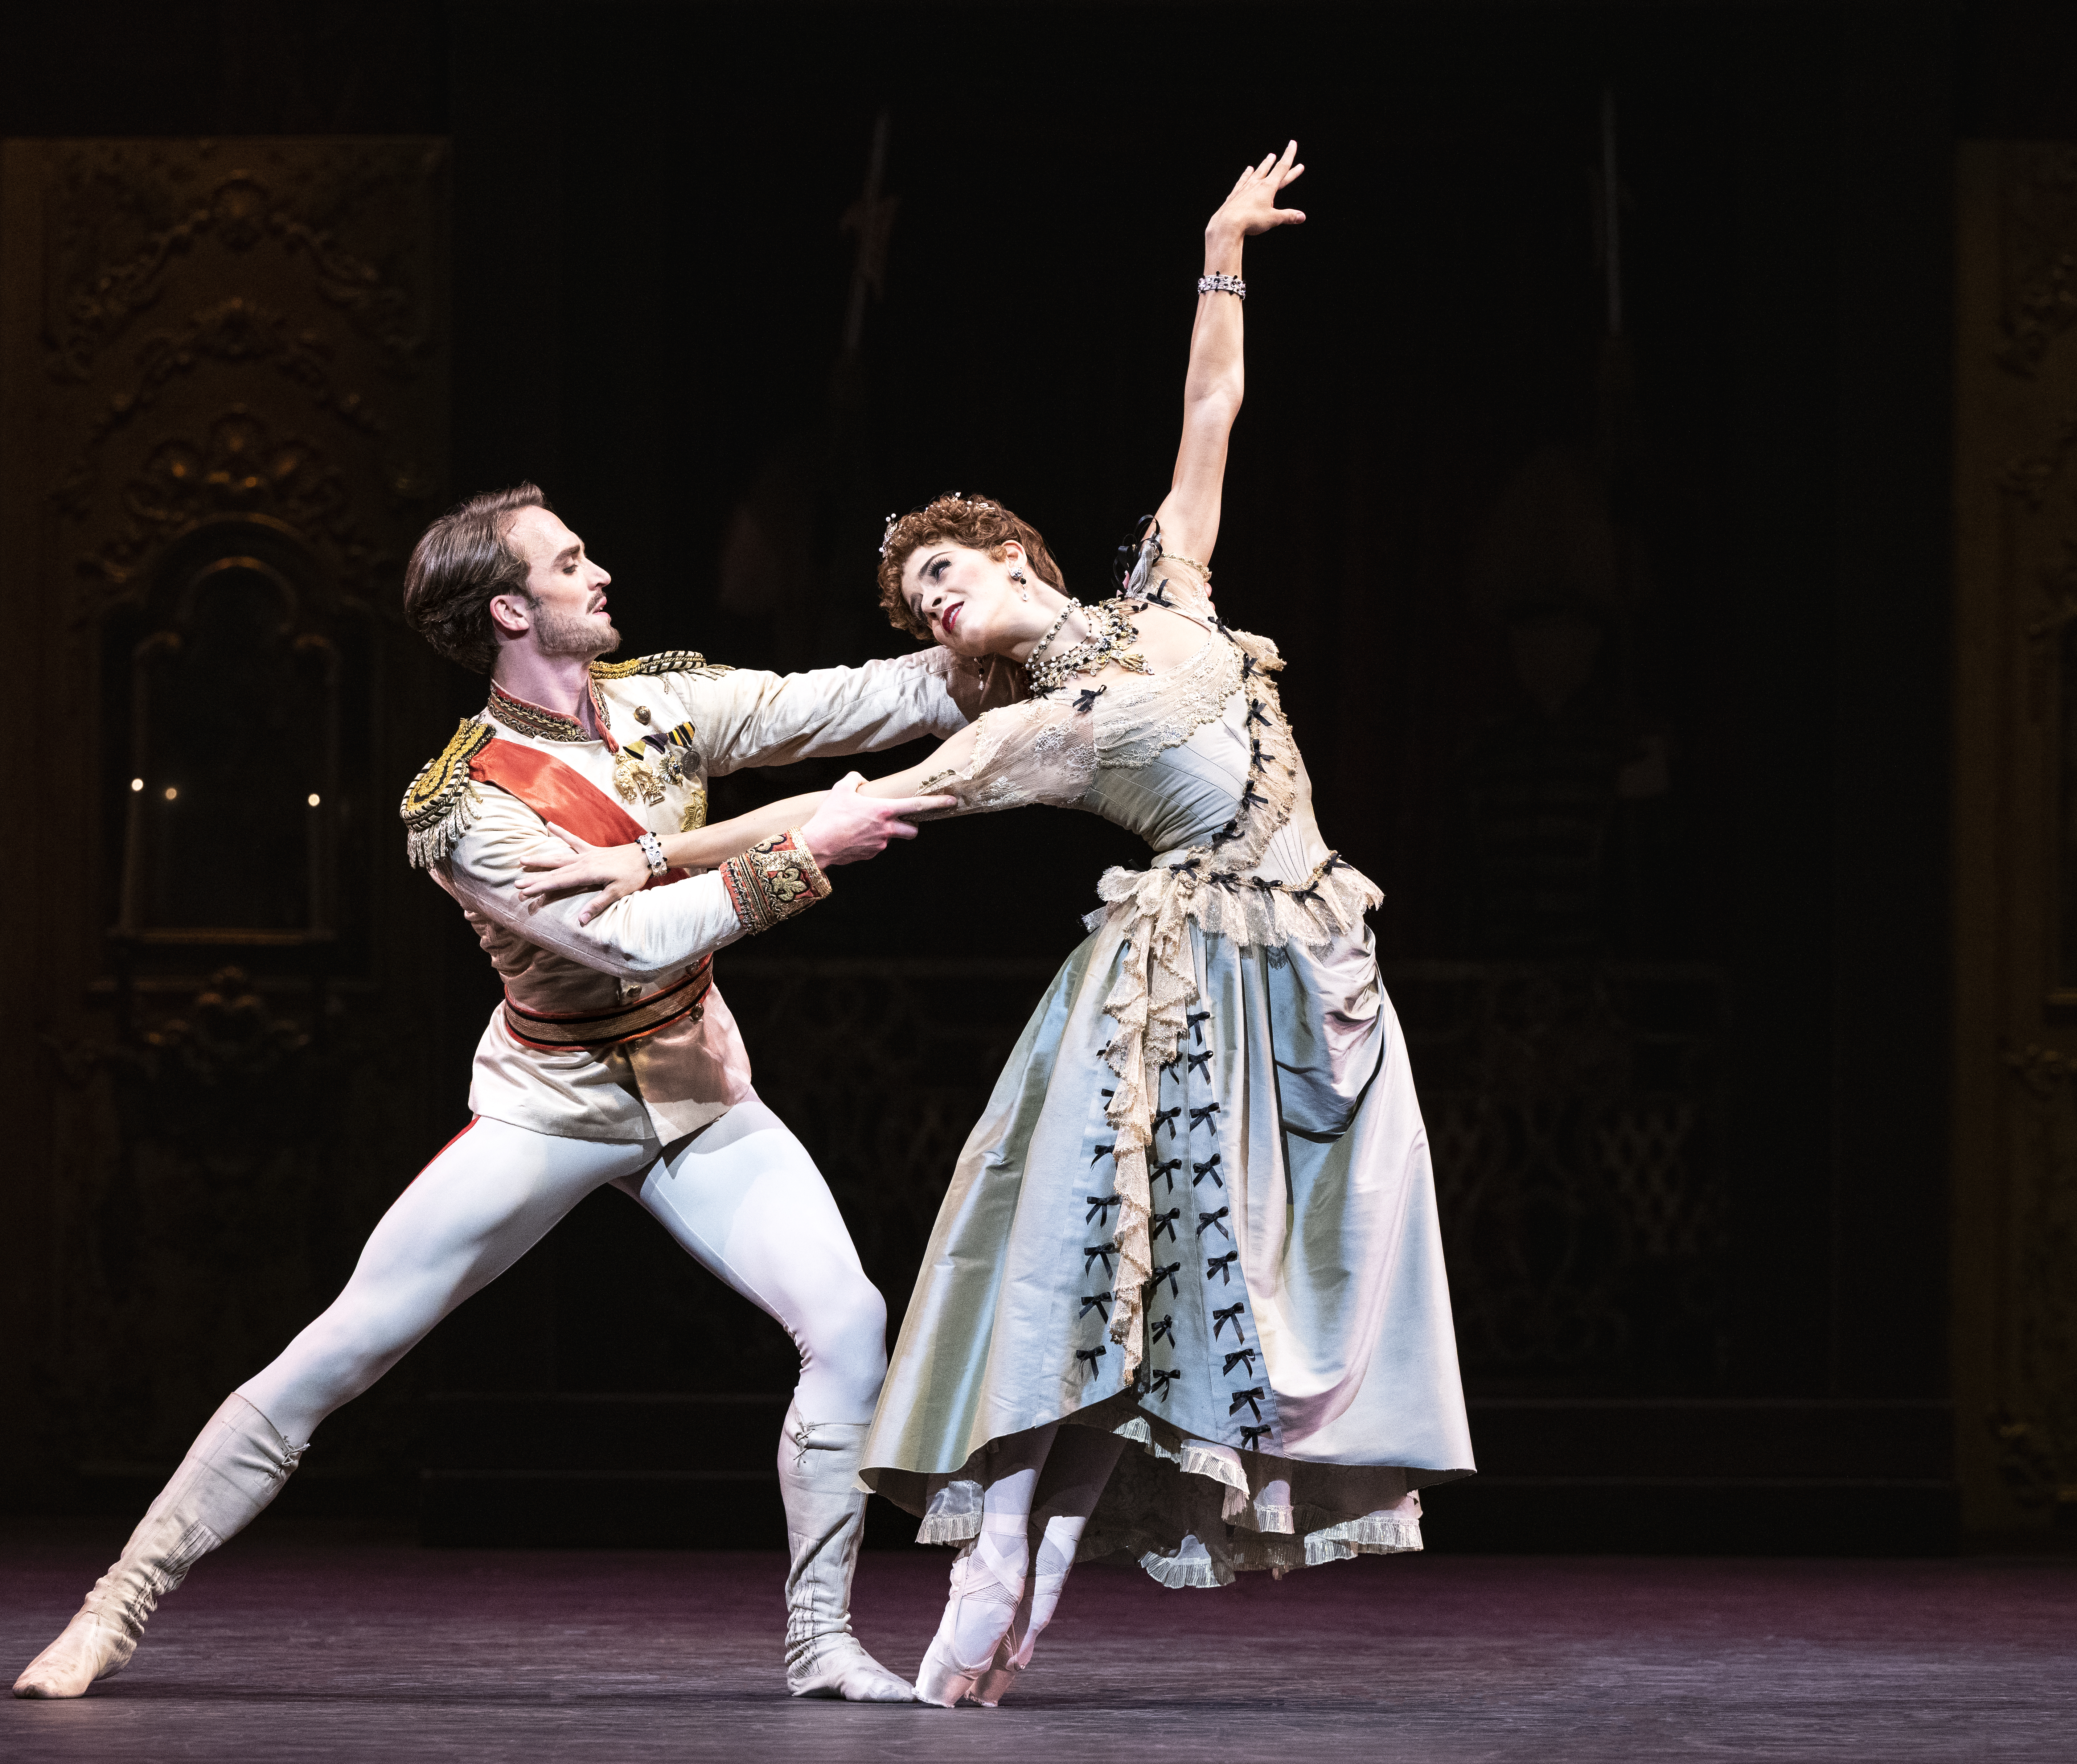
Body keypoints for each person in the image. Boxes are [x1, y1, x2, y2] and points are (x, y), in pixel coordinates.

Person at [520, 143, 1475, 1707]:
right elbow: (841, 800)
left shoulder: (1172, 597)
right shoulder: (1032, 732)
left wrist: (1223, 248)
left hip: (1312, 978)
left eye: (949, 572)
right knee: (1102, 1284)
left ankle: (1028, 1554)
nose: (936, 602)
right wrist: (642, 864)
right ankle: (1002, 1550)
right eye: (917, 598)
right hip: (1174, 990)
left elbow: (1211, 412)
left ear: (1022, 556)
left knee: (1193, 1307)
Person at [12, 484, 971, 1704]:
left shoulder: (662, 704)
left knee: (847, 1322)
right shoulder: (464, 805)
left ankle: (821, 1639)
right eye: (570, 563)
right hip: (551, 1105)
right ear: (512, 609)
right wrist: (802, 855)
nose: (600, 573)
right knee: (340, 1352)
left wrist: (1024, 642)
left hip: (696, 1086)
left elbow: (862, 698)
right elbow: (625, 941)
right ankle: (116, 1607)